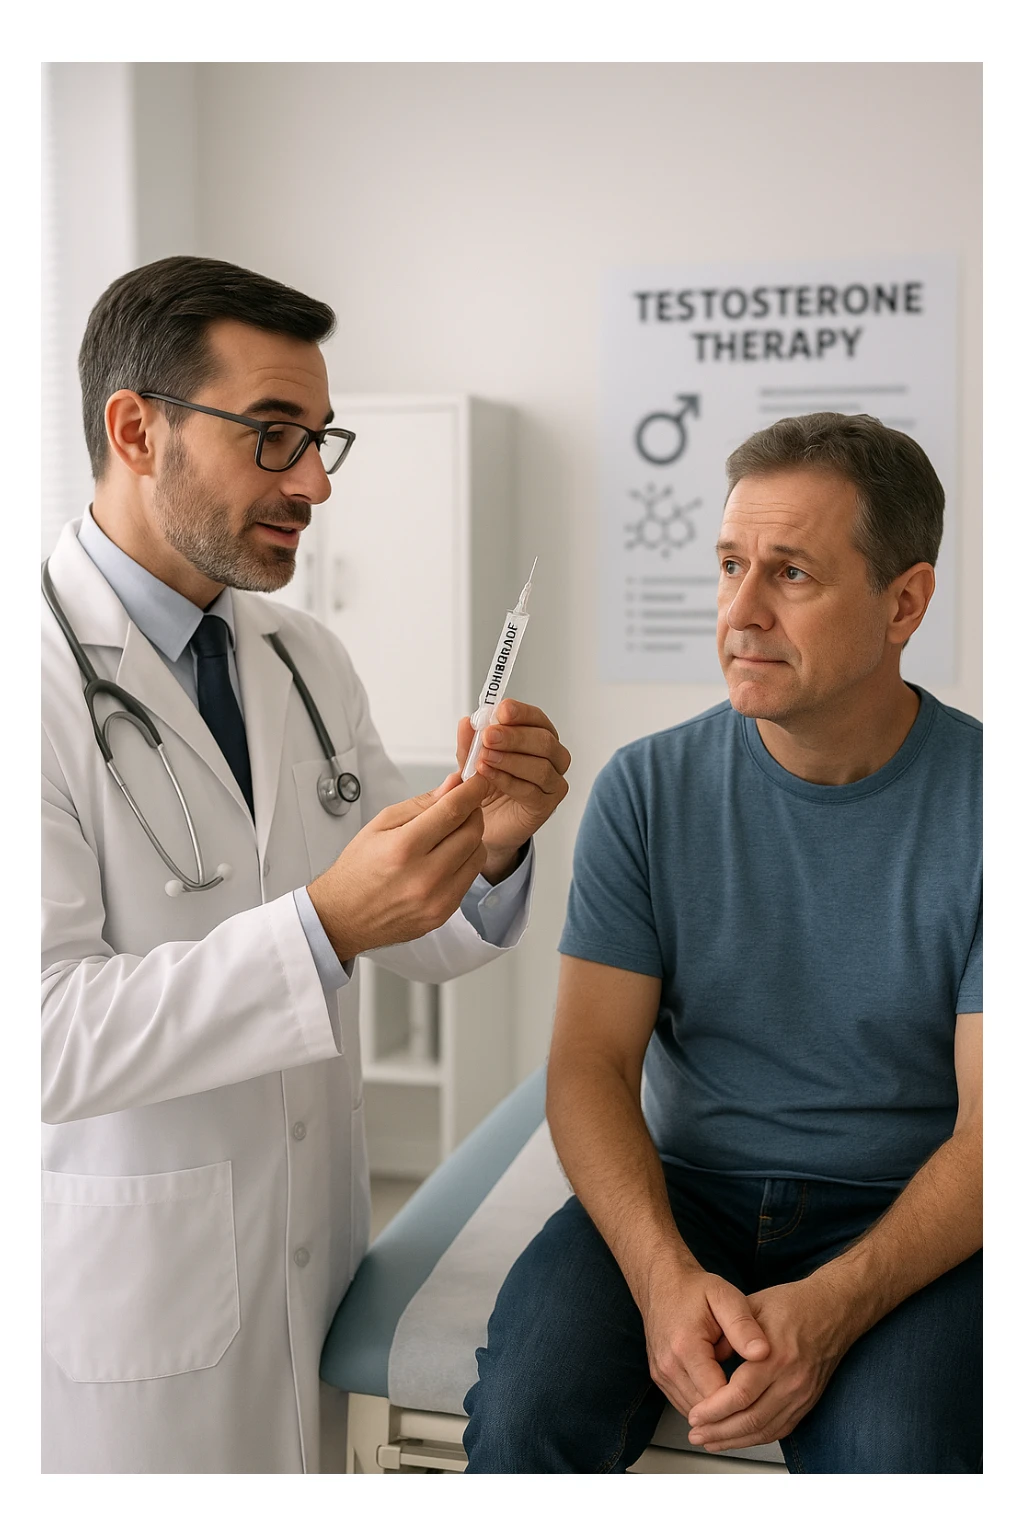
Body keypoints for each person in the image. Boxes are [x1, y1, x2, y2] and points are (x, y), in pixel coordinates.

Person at [41, 255, 571, 1474]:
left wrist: (486, 850)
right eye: (274, 436)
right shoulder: (33, 681)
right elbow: (47, 1039)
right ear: (138, 430)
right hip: (130, 1306)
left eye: (322, 439)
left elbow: (408, 923)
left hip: (312, 1263)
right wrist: (320, 930)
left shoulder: (297, 656)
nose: (317, 482)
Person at [462, 412, 981, 1474]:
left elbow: (995, 1133)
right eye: (731, 565)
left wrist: (833, 1308)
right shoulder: (647, 791)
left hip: (902, 1207)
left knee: (899, 1453)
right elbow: (590, 1067)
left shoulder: (993, 809)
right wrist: (660, 1280)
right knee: (522, 1418)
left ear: (905, 603)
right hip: (681, 1192)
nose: (739, 612)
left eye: (789, 573)